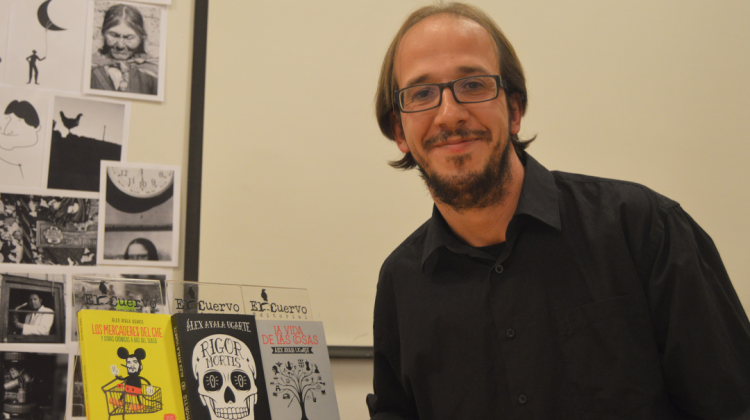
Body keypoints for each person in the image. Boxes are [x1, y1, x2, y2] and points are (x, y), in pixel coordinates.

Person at [371, 3, 750, 419]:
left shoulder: (643, 230)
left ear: (514, 110)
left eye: (474, 85)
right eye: (421, 93)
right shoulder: (399, 284)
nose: (449, 113)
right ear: (399, 132)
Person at [90, 4, 157, 95]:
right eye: (114, 35)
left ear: (142, 37)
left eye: (129, 37)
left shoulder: (153, 72)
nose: (120, 46)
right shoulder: (90, 66)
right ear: (103, 33)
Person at [1, 100, 42, 184]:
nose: (7, 130)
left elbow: (14, 156)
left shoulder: (33, 153)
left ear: (37, 127)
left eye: (18, 121)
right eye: (8, 120)